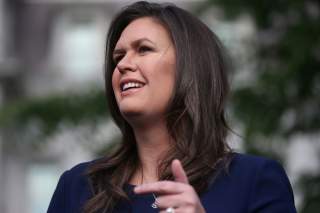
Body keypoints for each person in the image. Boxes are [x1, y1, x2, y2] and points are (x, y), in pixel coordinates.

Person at [47, 1, 297, 213]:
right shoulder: (78, 187)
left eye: (143, 49)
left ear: (190, 69)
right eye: (118, 57)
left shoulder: (255, 181)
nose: (123, 65)